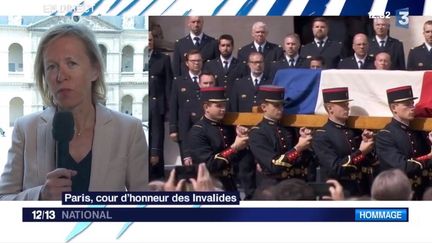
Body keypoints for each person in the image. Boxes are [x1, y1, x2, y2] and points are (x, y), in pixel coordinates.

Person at [0, 24, 148, 200]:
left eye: (71, 63)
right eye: (51, 67)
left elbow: (144, 203)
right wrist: (40, 196)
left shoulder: (128, 130)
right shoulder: (26, 129)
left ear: (95, 70)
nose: (61, 76)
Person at [312, 87, 375, 197]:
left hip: (361, 189)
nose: (347, 108)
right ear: (330, 108)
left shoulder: (354, 132)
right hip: (341, 190)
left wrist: (369, 144)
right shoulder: (322, 135)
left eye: (347, 104)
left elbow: (368, 163)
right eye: (343, 104)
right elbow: (335, 168)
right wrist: (361, 152)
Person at [248, 85, 314, 187]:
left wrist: (306, 144)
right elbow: (274, 165)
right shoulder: (258, 133)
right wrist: (298, 148)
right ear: (264, 107)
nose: (281, 109)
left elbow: (304, 160)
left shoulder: (289, 128)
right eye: (276, 105)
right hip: (273, 187)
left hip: (294, 183)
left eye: (282, 105)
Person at [186, 87, 249, 191]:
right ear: (206, 107)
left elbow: (239, 158)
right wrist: (233, 148)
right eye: (218, 106)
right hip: (211, 184)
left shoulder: (227, 127)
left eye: (224, 105)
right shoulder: (198, 131)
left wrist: (243, 139)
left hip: (229, 181)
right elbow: (209, 164)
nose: (223, 109)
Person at [375, 85, 432, 199]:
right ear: (394, 107)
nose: (412, 107)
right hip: (400, 194)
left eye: (412, 103)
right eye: (407, 104)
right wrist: (429, 157)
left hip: (422, 191)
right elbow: (402, 167)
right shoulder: (385, 135)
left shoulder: (418, 132)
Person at [169, 52, 216, 165]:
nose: (196, 63)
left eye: (199, 60)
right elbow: (173, 105)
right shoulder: (178, 81)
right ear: (187, 63)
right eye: (193, 61)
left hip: (206, 125)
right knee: (189, 164)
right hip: (185, 127)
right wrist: (173, 128)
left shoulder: (209, 79)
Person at [148, 31, 173, 181]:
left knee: (157, 141)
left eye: (150, 40)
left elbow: (169, 85)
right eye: (146, 40)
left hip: (157, 106)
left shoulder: (163, 59)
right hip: (141, 104)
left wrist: (169, 110)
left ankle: (157, 176)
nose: (148, 42)